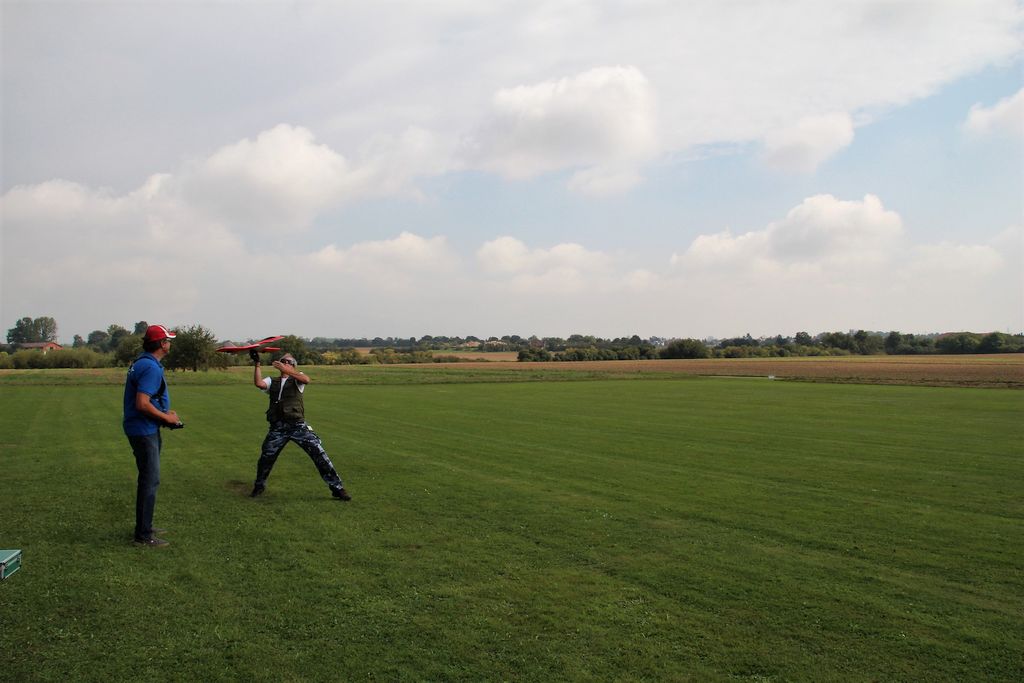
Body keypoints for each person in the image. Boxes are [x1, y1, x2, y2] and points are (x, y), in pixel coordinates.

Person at [249, 351, 351, 501]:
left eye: (288, 362)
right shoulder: (272, 381)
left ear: (293, 366)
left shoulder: (297, 378)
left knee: (319, 454)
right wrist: (257, 364)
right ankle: (259, 486)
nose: (285, 363)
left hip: (298, 426)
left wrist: (287, 370)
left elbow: (306, 379)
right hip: (278, 427)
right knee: (266, 457)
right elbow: (259, 384)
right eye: (283, 361)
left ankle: (337, 488)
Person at [123, 324, 183, 548]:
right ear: (161, 344)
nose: (170, 343)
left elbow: (148, 400)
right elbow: (142, 403)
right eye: (168, 340)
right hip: (143, 431)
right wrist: (166, 417)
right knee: (150, 480)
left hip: (143, 428)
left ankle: (145, 526)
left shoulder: (143, 362)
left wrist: (164, 414)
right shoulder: (150, 367)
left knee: (148, 479)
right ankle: (143, 535)